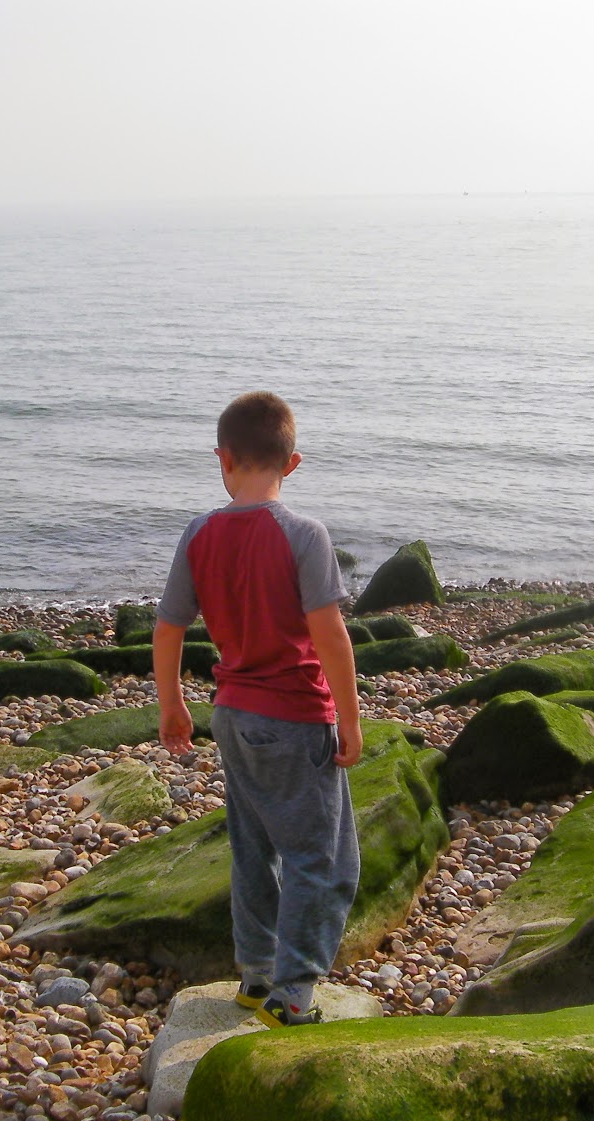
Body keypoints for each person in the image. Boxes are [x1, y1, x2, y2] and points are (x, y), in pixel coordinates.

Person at [153, 390, 362, 1027]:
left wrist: (172, 706)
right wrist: (349, 719)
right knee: (320, 858)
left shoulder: (200, 533)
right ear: (291, 464)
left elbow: (168, 627)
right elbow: (329, 634)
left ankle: (256, 973)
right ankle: (294, 991)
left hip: (232, 716)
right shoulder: (303, 534)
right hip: (296, 718)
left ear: (223, 458)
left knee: (252, 849)